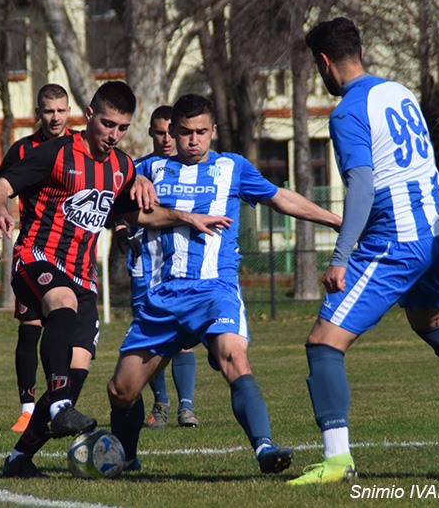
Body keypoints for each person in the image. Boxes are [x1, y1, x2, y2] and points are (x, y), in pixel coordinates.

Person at [287, 17, 439, 485]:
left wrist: (340, 257)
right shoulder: (398, 93)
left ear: (323, 62)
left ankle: (337, 460)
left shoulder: (346, 112)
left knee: (323, 343)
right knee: (432, 323)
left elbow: (361, 185)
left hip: (397, 241)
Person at [0, 81, 231, 478]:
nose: (113, 134)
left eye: (121, 127)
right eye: (107, 124)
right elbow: (1, 185)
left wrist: (188, 218)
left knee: (76, 371)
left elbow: (134, 215)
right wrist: (0, 209)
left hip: (83, 274)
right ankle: (59, 409)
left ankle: (20, 457)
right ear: (89, 115)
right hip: (38, 257)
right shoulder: (55, 153)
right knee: (61, 306)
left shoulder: (121, 167)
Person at [107, 93, 342, 474]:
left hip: (214, 291)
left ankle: (264, 447)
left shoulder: (233, 168)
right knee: (121, 390)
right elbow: (117, 211)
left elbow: (281, 199)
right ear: (171, 132)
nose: (193, 140)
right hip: (160, 297)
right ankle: (127, 458)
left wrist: (336, 221)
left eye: (201, 132)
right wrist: (135, 200)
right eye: (185, 133)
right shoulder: (145, 170)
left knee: (235, 357)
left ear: (213, 130)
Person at [0, 83, 74, 433]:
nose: (55, 117)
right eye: (48, 110)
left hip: (73, 255)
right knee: (30, 328)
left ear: (69, 111)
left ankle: (61, 403)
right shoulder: (23, 150)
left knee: (68, 332)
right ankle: (27, 409)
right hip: (34, 253)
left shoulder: (78, 146)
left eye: (61, 110)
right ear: (38, 112)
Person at [118, 106, 200, 429]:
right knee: (149, 336)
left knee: (183, 336)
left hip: (180, 266)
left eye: (171, 132)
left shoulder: (191, 170)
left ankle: (186, 407)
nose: (166, 139)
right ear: (151, 133)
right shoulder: (138, 170)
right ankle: (161, 404)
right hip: (144, 266)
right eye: (159, 132)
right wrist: (123, 231)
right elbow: (118, 209)